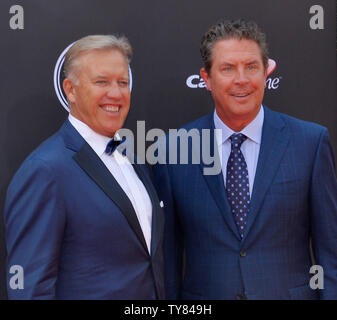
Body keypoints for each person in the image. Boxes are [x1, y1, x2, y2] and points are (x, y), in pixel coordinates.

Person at [152, 19, 337, 300]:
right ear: (207, 79)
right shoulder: (173, 150)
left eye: (251, 67)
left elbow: (331, 251)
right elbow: (168, 259)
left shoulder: (310, 142)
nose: (242, 79)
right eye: (228, 69)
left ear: (265, 73)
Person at [5, 35, 164, 299]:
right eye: (101, 81)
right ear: (70, 90)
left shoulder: (132, 158)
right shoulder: (45, 170)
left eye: (122, 82)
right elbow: (29, 288)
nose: (115, 93)